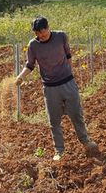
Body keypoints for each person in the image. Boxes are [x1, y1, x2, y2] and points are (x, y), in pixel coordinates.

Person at [15, 16, 98, 161]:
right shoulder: (33, 45)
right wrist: (21, 77)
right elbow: (30, 65)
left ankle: (85, 141)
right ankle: (59, 151)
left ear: (48, 27)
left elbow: (68, 55)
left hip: (67, 82)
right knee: (54, 120)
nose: (41, 35)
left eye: (43, 32)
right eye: (37, 33)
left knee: (76, 115)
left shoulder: (61, 36)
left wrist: (69, 74)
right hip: (50, 87)